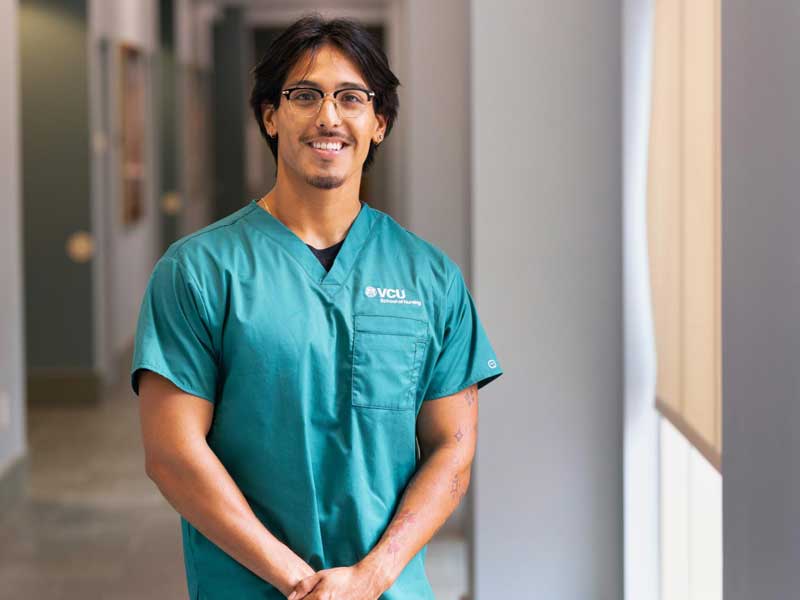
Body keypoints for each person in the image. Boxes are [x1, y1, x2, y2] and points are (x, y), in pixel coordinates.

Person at [131, 13, 504, 600]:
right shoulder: (198, 272)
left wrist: (371, 577)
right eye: (305, 95)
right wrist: (302, 584)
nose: (328, 116)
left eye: (351, 98)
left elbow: (451, 450)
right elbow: (173, 455)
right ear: (270, 116)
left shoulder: (430, 278)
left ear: (378, 123)